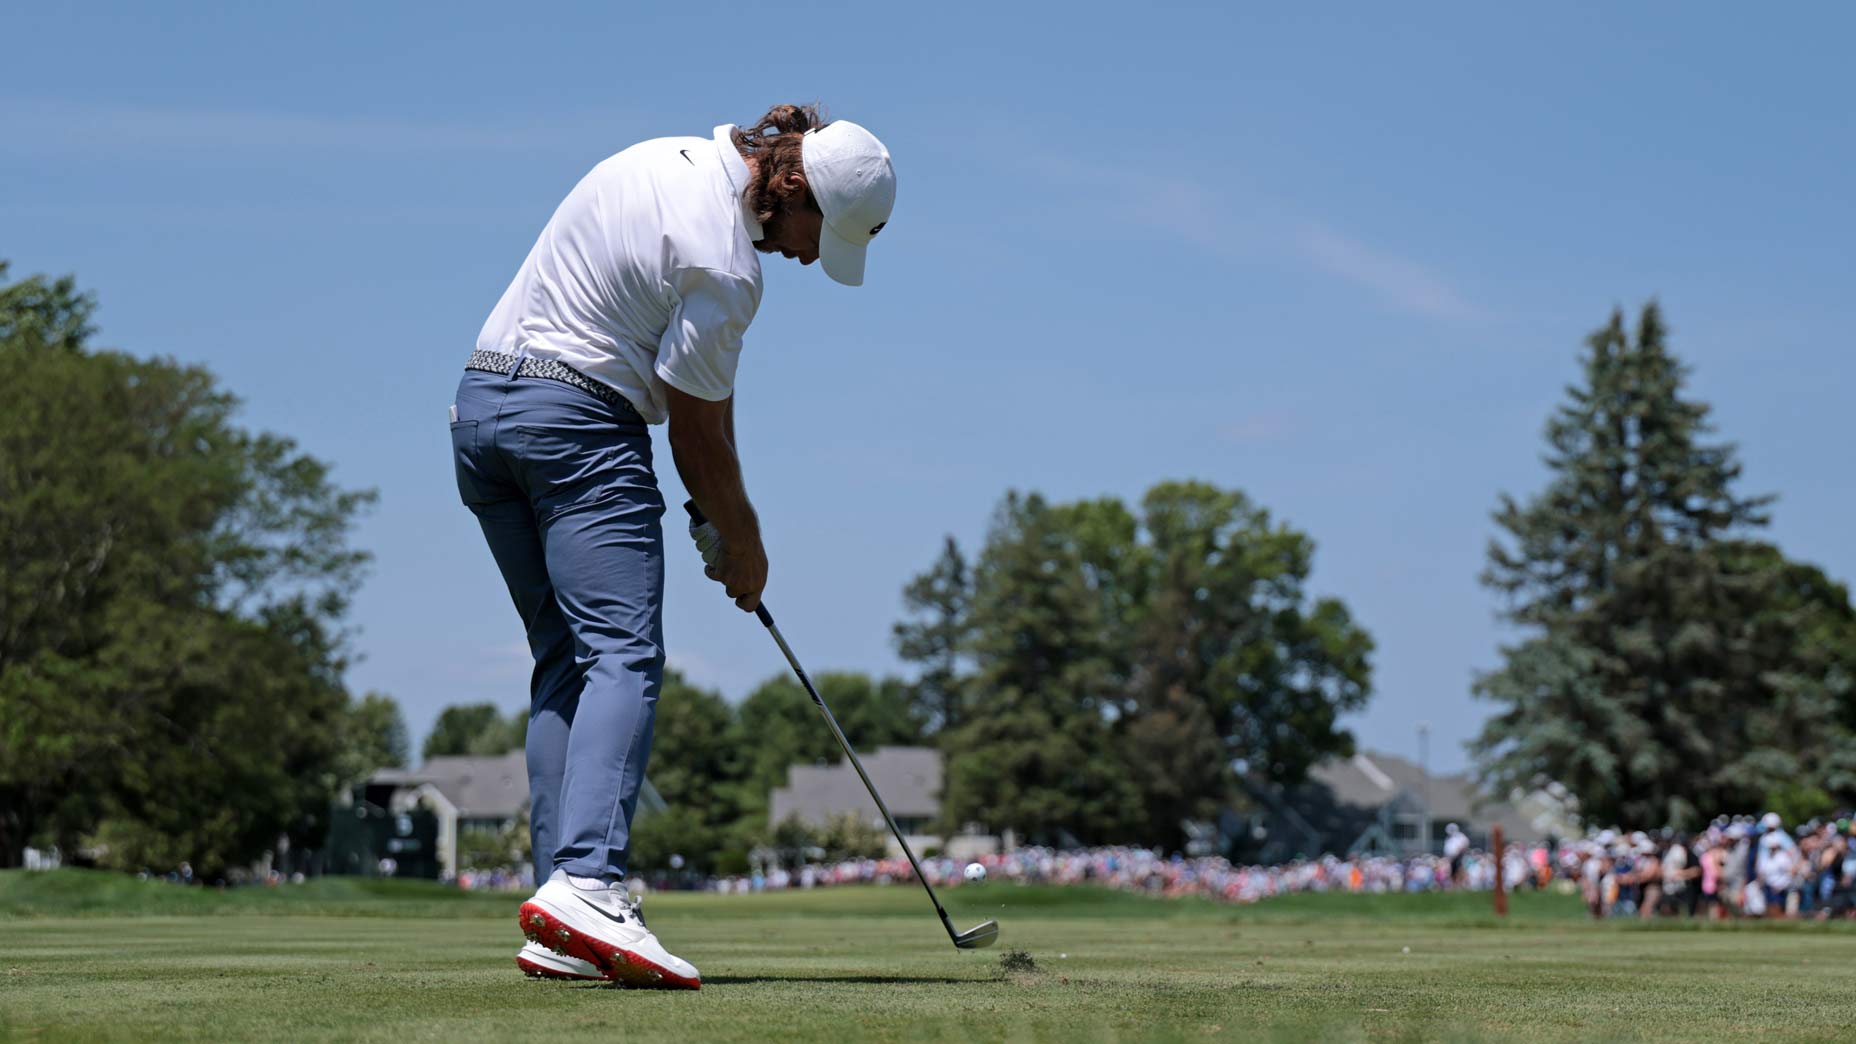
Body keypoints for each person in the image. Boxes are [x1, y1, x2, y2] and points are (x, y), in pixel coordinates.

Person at [451, 104, 896, 988]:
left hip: (479, 413)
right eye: (820, 236)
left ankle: (559, 920)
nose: (810, 256)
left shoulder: (665, 153)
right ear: (794, 187)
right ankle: (589, 882)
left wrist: (716, 517)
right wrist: (746, 539)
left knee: (566, 661)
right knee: (623, 654)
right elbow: (695, 430)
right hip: (577, 422)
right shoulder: (729, 265)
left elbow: (698, 407)